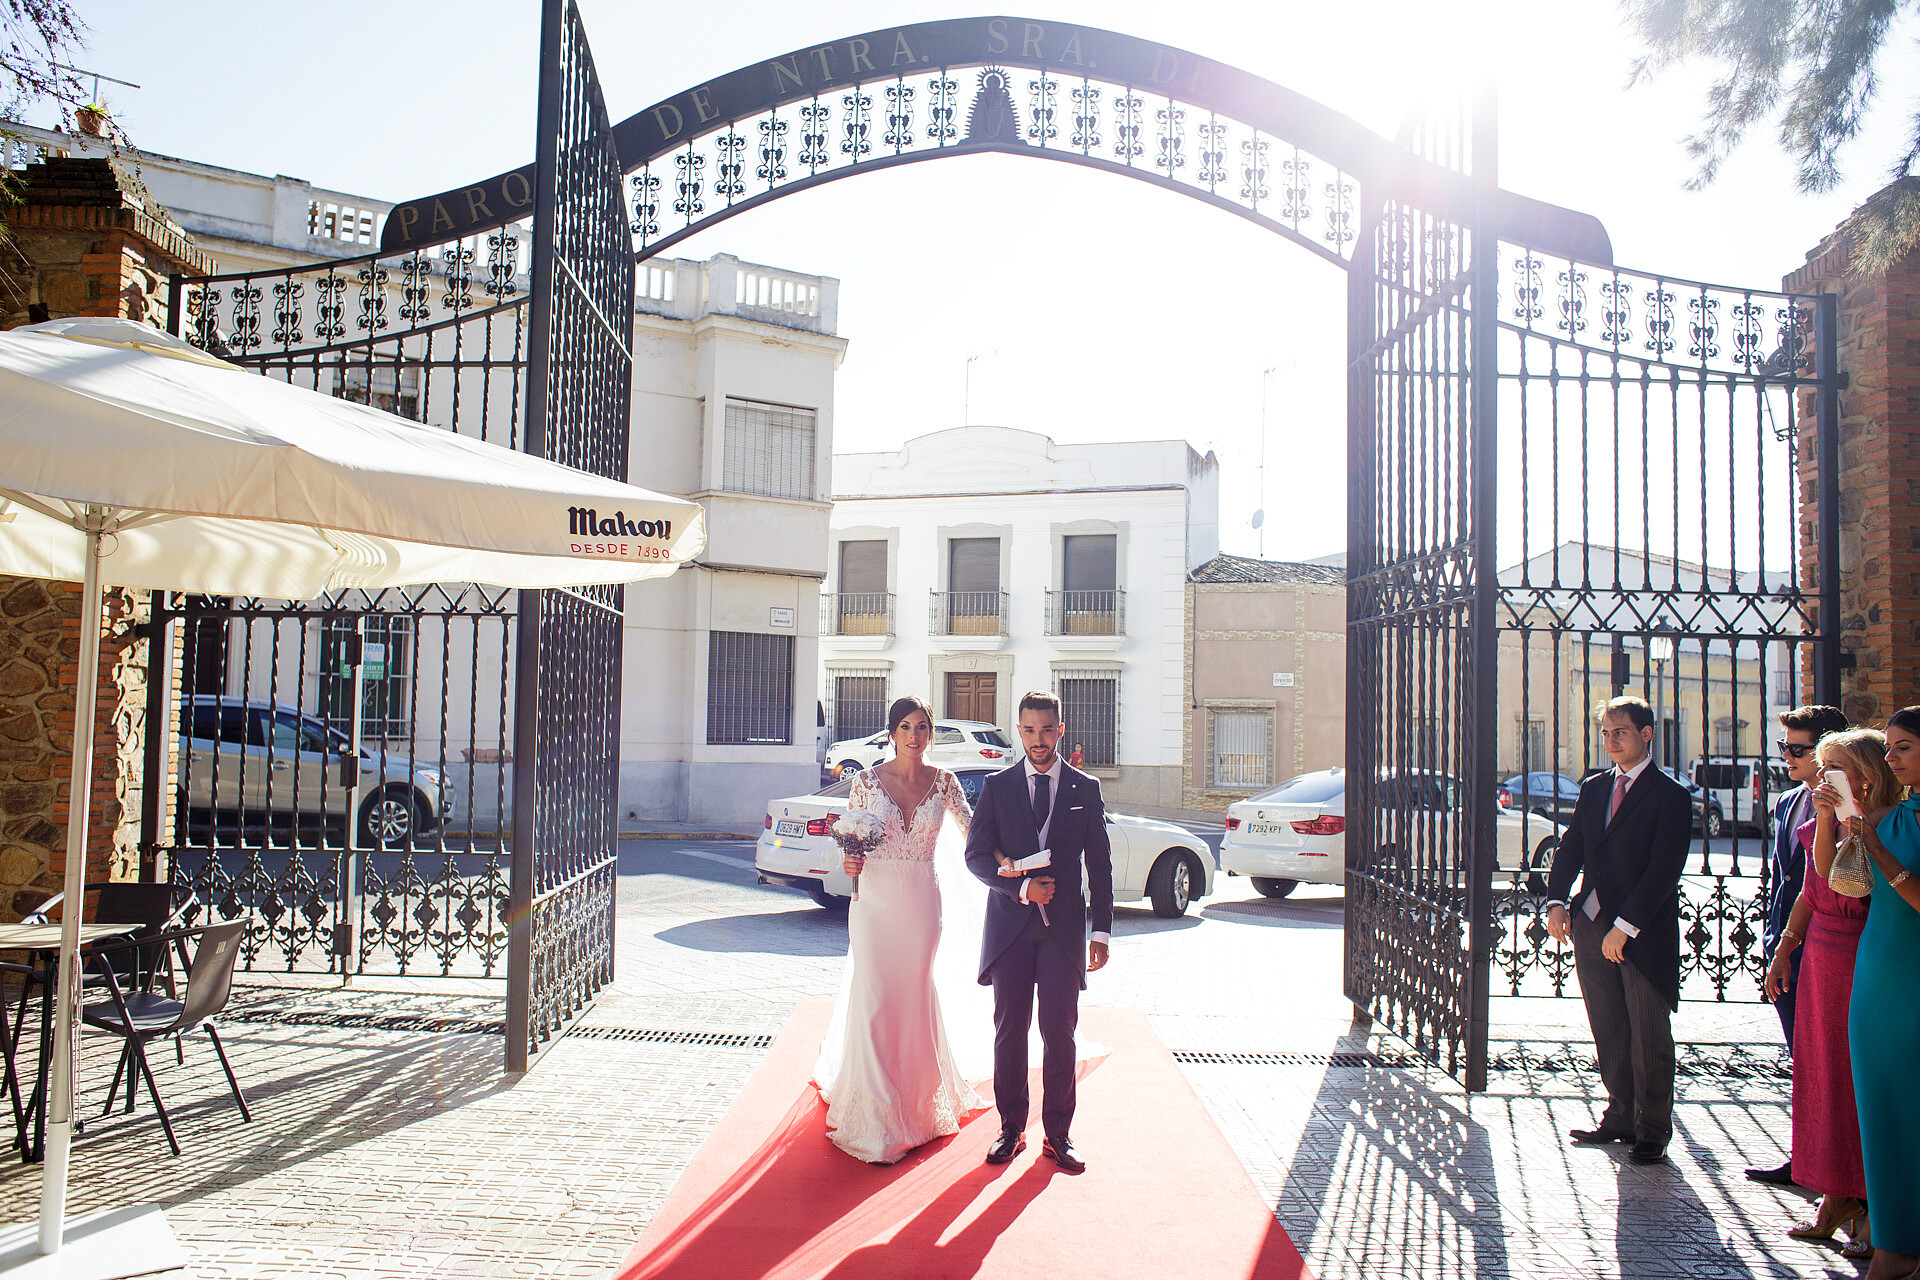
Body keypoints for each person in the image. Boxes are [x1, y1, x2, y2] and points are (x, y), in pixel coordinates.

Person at [812, 695, 986, 1164]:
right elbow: (854, 845)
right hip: (873, 902)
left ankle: (917, 1107)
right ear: (892, 733)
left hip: (920, 903)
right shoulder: (866, 782)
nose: (914, 735)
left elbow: (974, 832)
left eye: (923, 726)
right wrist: (850, 860)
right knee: (873, 996)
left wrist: (1008, 857)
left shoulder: (946, 783)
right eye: (906, 726)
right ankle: (874, 1115)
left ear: (931, 733)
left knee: (912, 994)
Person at [964, 690, 1114, 1173]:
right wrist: (1023, 889)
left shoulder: (1084, 789)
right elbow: (977, 856)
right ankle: (1011, 1129)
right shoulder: (997, 786)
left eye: (1047, 729)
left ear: (1061, 731)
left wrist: (1102, 933)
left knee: (1059, 1034)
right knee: (1009, 1032)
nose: (1038, 739)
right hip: (1010, 929)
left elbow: (1101, 866)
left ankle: (1058, 1135)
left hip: (1063, 933)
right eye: (1029, 730)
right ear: (1019, 731)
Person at [1545, 695, 1693, 1166]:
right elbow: (1571, 849)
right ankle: (1619, 1117)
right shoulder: (1593, 788)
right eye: (1606, 733)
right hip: (1589, 924)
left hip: (1641, 932)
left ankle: (1652, 1128)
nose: (1611, 741)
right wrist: (1554, 902)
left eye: (1621, 732)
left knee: (1648, 1031)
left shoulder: (1671, 795)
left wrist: (1624, 927)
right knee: (1608, 1024)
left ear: (1646, 734)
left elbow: (1663, 869)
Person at [1765, 728, 1886, 1253]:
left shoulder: (1884, 825)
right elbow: (1816, 886)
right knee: (1821, 1076)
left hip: (1865, 957)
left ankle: (1869, 1204)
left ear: (1865, 772)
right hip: (1820, 957)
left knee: (1857, 1079)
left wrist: (1850, 821)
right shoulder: (1823, 825)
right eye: (1822, 767)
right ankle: (1836, 1195)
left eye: (1833, 767)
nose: (1821, 777)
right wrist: (1786, 946)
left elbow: (1852, 884)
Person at [1749, 703, 1851, 1187]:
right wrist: (1777, 940)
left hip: (1834, 945)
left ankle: (1841, 1171)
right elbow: (1786, 877)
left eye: (1798, 748)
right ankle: (1806, 1158)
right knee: (1801, 1060)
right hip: (1786, 942)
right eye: (1783, 746)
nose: (1787, 756)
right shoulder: (1788, 803)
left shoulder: (1854, 809)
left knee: (1833, 1063)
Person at [1842, 707, 1920, 1280]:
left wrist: (1879, 847)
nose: (1891, 759)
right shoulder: (1887, 814)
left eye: (1904, 748)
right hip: (1876, 972)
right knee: (1881, 1105)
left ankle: (1899, 1249)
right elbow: (1836, 878)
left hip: (1912, 977)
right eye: (1889, 748)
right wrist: (1833, 822)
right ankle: (1894, 1239)